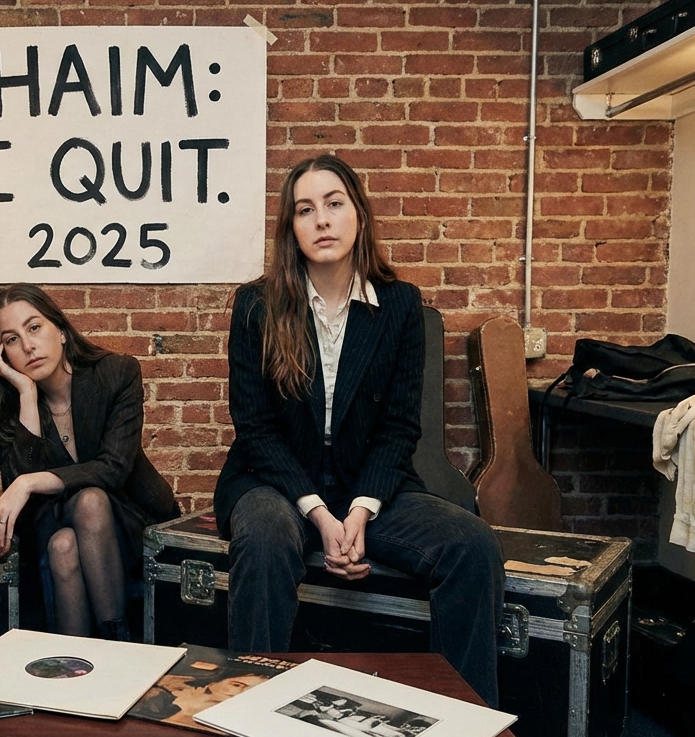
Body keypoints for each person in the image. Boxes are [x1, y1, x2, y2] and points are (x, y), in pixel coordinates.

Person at [215, 154, 504, 706]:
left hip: (368, 486)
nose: (321, 220)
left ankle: (466, 723)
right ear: (290, 228)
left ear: (360, 215)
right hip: (274, 481)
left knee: (472, 545)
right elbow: (255, 428)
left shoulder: (399, 304)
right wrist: (320, 515)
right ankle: (252, 711)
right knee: (266, 536)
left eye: (334, 203)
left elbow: (399, 428)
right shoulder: (256, 305)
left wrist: (359, 512)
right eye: (305, 209)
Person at [0, 284, 178, 640]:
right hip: (56, 528)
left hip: (134, 526)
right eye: (11, 339)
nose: (28, 346)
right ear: (2, 354)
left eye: (34, 327)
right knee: (63, 545)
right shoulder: (10, 406)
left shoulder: (116, 374)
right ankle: (98, 653)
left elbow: (113, 468)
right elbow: (27, 515)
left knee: (90, 502)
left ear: (61, 330)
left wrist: (28, 483)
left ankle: (107, 648)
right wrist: (27, 395)